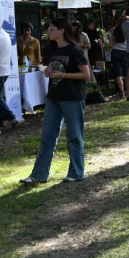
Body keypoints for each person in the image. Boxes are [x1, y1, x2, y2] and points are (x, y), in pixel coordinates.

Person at [20, 17, 90, 184]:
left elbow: (85, 74)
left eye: (51, 29)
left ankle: (76, 172)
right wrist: (48, 72)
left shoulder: (74, 50)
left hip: (72, 97)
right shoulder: (51, 48)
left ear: (62, 31)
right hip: (53, 97)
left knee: (74, 135)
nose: (48, 32)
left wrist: (63, 75)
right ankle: (39, 174)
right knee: (47, 136)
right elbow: (52, 67)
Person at [109, 13, 129, 98]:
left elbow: (110, 44)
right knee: (127, 73)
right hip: (125, 51)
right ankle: (128, 91)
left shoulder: (113, 30)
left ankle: (122, 93)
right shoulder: (127, 29)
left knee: (118, 73)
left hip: (115, 51)